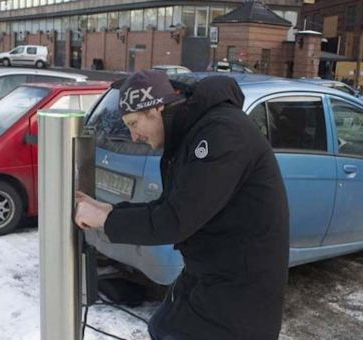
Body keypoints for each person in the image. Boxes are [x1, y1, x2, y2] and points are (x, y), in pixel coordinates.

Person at [75, 70, 289, 340]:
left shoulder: (222, 134)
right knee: (161, 327)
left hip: (240, 294)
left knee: (166, 332)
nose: (133, 136)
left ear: (156, 109)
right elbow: (169, 205)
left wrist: (107, 221)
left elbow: (175, 220)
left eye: (133, 123)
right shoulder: (191, 134)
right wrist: (109, 211)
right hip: (209, 276)